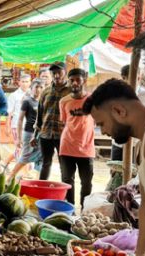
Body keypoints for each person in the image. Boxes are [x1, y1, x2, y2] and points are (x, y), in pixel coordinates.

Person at [82, 78, 145, 256]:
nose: (103, 131)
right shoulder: (143, 145)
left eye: (102, 123)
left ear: (119, 111)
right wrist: (142, 253)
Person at [59, 69, 95, 206]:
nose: (74, 83)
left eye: (77, 80)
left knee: (86, 182)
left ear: (84, 81)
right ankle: (70, 208)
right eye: (71, 80)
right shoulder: (63, 102)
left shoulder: (92, 100)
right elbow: (64, 122)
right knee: (67, 181)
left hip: (87, 148)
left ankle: (84, 208)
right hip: (67, 146)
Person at [31, 61, 71, 180]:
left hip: (63, 135)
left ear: (65, 73)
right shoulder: (46, 91)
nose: (56, 75)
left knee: (64, 166)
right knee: (45, 163)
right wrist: (35, 135)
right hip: (45, 134)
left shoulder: (71, 92)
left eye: (59, 72)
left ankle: (66, 194)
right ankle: (42, 192)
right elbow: (40, 115)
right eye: (53, 73)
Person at [8, 79, 44, 180]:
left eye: (41, 87)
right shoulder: (27, 101)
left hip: (41, 133)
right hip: (29, 132)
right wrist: (19, 138)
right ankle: (10, 177)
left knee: (41, 158)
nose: (38, 89)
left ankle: (39, 180)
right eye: (36, 87)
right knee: (25, 156)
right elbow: (20, 120)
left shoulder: (43, 101)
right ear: (31, 88)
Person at [6, 74, 32, 166]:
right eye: (23, 82)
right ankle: (20, 171)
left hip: (30, 126)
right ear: (19, 83)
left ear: (30, 82)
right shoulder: (14, 95)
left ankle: (6, 162)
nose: (25, 84)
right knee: (19, 147)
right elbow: (9, 113)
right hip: (16, 126)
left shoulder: (33, 94)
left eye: (27, 82)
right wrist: (7, 127)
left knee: (27, 148)